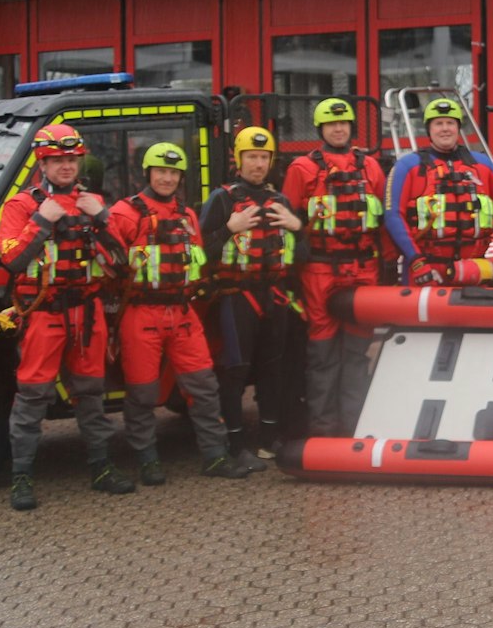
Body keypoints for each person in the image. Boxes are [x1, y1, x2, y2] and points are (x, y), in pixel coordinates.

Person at [0, 123, 132, 510]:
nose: (67, 166)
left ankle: (101, 467)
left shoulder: (93, 203)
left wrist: (102, 217)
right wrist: (41, 221)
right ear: (42, 163)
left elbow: (122, 263)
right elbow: (12, 260)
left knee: (91, 394)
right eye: (57, 160)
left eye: (72, 159)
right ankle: (22, 477)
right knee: (32, 396)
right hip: (45, 313)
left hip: (87, 313)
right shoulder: (21, 206)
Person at [107, 142, 253, 484]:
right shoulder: (124, 214)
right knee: (143, 393)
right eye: (161, 172)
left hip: (182, 312)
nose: (167, 179)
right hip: (141, 313)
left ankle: (215, 456)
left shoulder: (187, 217)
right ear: (147, 173)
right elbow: (108, 266)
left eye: (173, 173)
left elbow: (197, 261)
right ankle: (147, 459)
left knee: (203, 386)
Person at [282, 97, 392, 436]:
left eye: (343, 123)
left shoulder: (370, 167)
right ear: (320, 129)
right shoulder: (301, 169)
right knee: (323, 355)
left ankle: (354, 428)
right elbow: (287, 225)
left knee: (358, 354)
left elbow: (384, 224)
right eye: (331, 124)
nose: (338, 129)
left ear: (351, 127)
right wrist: (289, 277)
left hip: (363, 269)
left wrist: (387, 268)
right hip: (319, 270)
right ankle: (323, 430)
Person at [201, 125, 307, 467]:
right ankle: (235, 444)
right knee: (235, 371)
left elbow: (302, 255)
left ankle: (268, 439)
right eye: (251, 157)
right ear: (238, 159)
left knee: (272, 370)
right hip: (237, 297)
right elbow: (198, 252)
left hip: (274, 296)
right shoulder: (222, 200)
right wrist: (228, 229)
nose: (258, 164)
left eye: (263, 157)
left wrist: (297, 227)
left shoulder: (281, 202)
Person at [385, 97, 493, 287]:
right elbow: (392, 216)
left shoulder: (483, 165)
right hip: (426, 271)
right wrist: (416, 261)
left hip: (473, 271)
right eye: (438, 124)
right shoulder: (407, 166)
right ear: (429, 129)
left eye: (450, 123)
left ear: (458, 127)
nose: (445, 129)